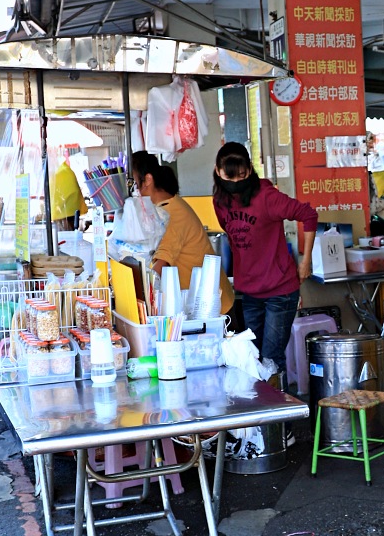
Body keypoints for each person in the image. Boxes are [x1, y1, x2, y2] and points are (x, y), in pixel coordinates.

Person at [212, 141, 318, 373]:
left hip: (280, 291)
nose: (236, 183)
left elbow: (309, 215)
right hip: (249, 292)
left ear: (250, 169)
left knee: (270, 361)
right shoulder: (220, 201)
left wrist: (305, 261)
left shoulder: (267, 197)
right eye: (229, 178)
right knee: (252, 358)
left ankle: (282, 406)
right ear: (218, 172)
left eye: (242, 176)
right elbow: (231, 236)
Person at [131, 151, 234, 315]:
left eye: (134, 182)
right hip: (196, 303)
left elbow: (160, 265)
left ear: (147, 180)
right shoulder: (164, 208)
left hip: (213, 308)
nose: (133, 190)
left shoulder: (172, 213)